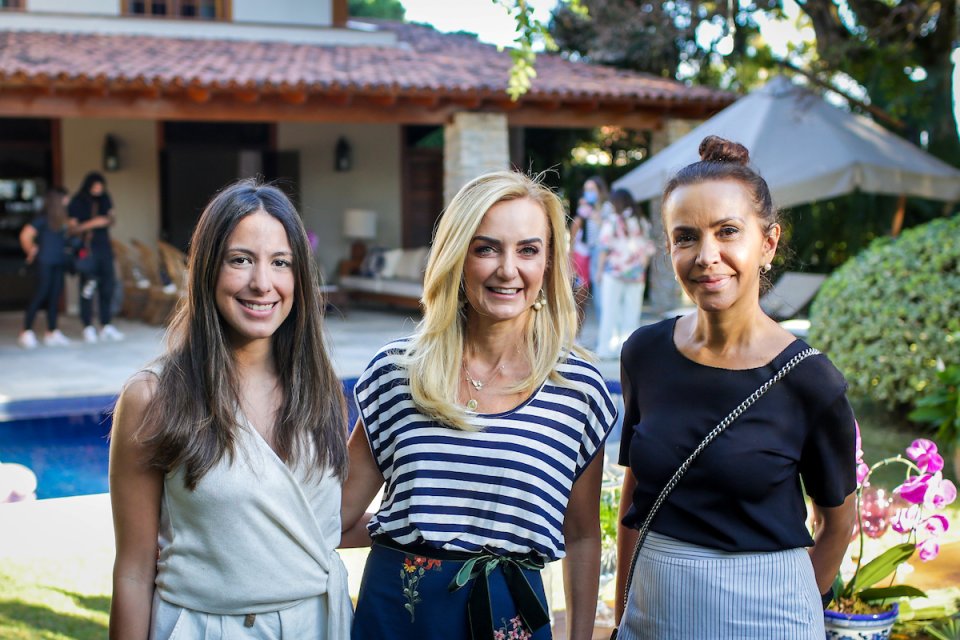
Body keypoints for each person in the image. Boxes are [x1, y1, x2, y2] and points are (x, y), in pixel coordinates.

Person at [341, 170, 618, 640]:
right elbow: (337, 516)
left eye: (528, 250)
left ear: (549, 264)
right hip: (397, 614)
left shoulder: (578, 388)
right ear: (457, 256)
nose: (508, 269)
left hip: (510, 616)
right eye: (486, 247)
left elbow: (583, 535)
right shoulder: (396, 372)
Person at [613, 136, 857, 639]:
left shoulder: (811, 380)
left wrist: (797, 613)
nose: (707, 256)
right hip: (653, 609)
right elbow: (636, 497)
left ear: (767, 243)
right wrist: (621, 616)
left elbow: (837, 525)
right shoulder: (645, 353)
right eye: (686, 237)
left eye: (728, 232)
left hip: (768, 615)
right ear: (669, 247)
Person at [108, 180, 351, 640]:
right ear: (206, 270)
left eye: (281, 263)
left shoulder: (323, 394)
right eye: (240, 260)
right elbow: (134, 571)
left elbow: (316, 527)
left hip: (317, 624)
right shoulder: (153, 398)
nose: (262, 283)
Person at [594, 189, 656, 359]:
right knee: (632, 313)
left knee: (610, 311)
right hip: (636, 274)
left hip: (614, 272)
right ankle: (629, 350)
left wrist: (599, 271)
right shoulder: (641, 221)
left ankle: (606, 349)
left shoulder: (612, 221)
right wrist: (642, 267)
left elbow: (604, 248)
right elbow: (649, 248)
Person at [68, 171, 123, 343]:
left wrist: (108, 218)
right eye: (96, 187)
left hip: (104, 247)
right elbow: (72, 228)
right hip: (88, 249)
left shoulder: (105, 198)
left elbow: (111, 219)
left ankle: (105, 324)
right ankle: (87, 326)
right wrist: (94, 223)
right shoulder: (77, 201)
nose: (99, 189)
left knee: (108, 286)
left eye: (101, 187)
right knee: (87, 288)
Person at [18, 187, 72, 349]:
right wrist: (30, 249)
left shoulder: (61, 220)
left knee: (55, 296)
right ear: (59, 200)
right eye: (65, 198)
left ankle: (52, 331)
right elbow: (25, 235)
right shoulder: (42, 219)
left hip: (58, 261)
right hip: (44, 262)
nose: (67, 201)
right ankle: (26, 331)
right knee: (40, 294)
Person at [569, 176, 611, 312]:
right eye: (586, 190)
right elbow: (575, 231)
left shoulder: (606, 207)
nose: (588, 192)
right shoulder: (585, 209)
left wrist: (591, 213)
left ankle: (606, 330)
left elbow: (608, 229)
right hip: (589, 252)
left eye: (592, 189)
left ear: (600, 191)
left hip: (602, 252)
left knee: (601, 291)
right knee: (588, 290)